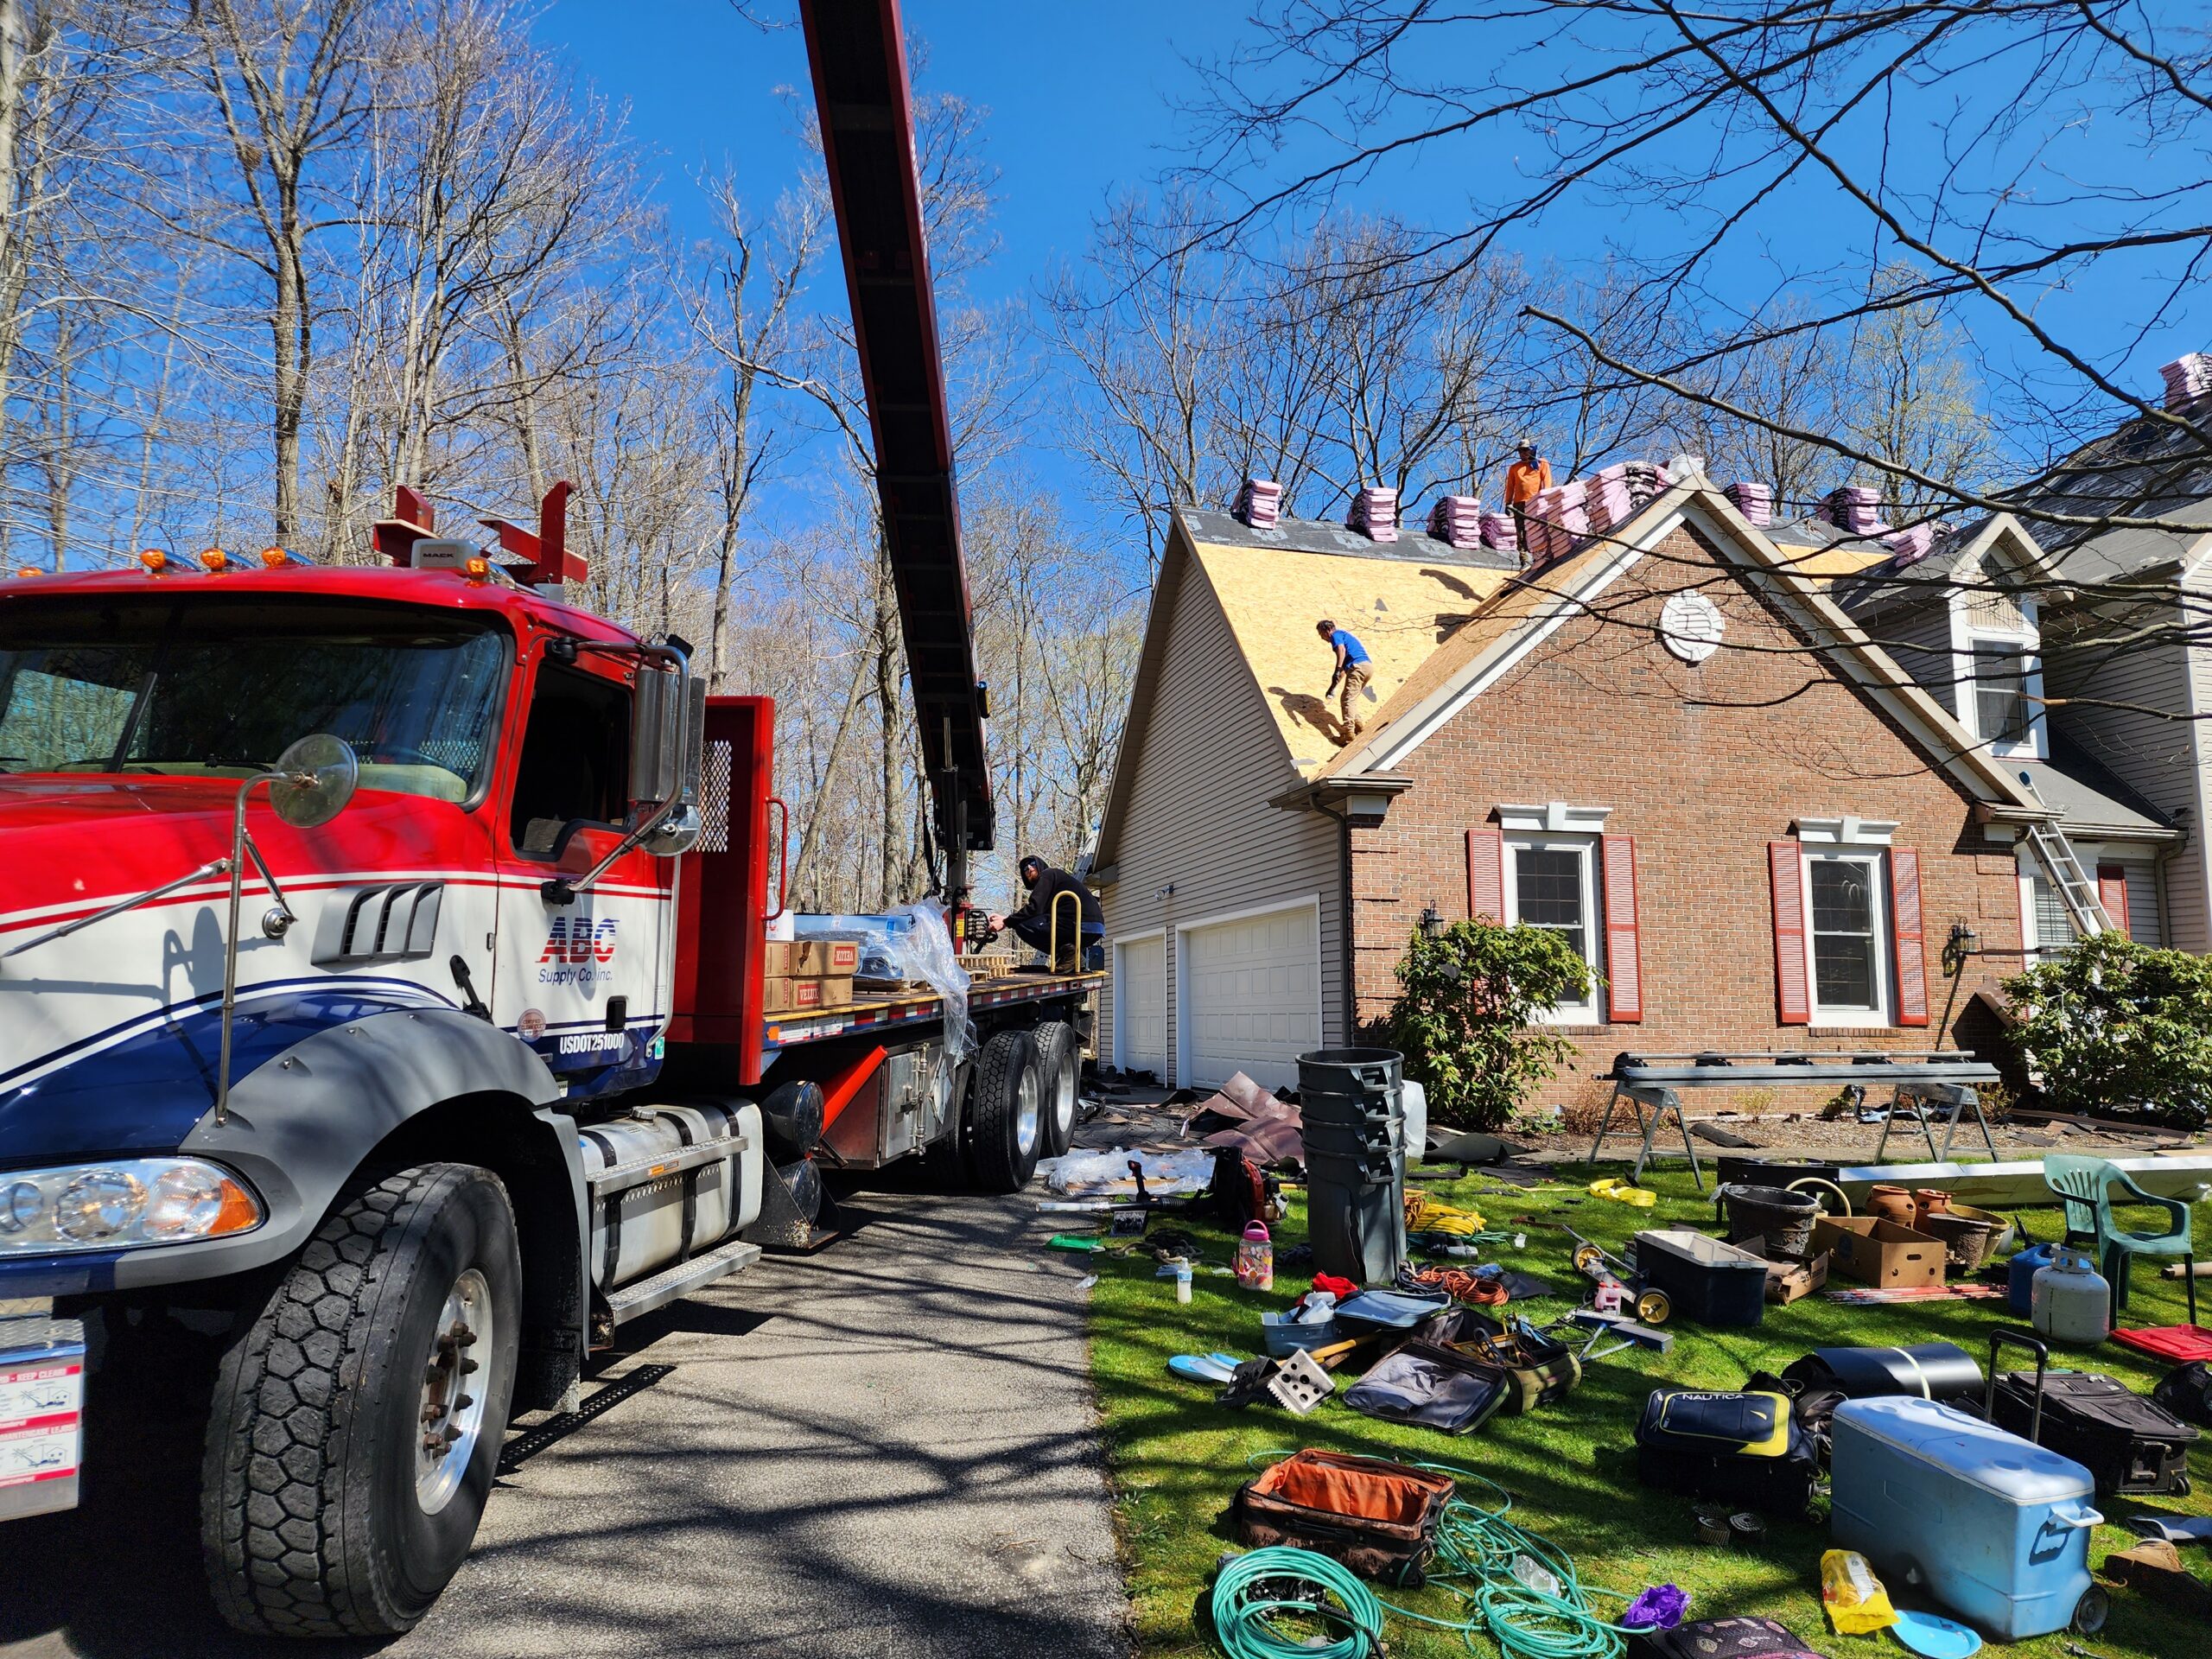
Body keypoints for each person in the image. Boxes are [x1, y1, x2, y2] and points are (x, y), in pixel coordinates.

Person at [990, 855, 1104, 970]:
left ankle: (1071, 956)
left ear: (1040, 865)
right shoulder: (1054, 883)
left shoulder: (1048, 874)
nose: (1029, 868)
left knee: (1022, 926)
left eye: (1032, 864)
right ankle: (1070, 958)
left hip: (1081, 924)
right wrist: (1007, 919)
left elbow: (1034, 908)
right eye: (1025, 869)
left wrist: (1006, 922)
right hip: (1093, 928)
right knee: (1032, 921)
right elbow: (1038, 911)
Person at [1317, 618, 1372, 742]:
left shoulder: (1336, 635)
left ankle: (1348, 734)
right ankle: (1358, 725)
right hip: (1367, 667)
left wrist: (1337, 668)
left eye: (1322, 634)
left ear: (1328, 630)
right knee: (1351, 698)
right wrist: (1332, 688)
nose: (1322, 638)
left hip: (1357, 667)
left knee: (1347, 699)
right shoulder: (1345, 636)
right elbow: (1342, 672)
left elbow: (1341, 650)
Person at [1503, 435, 1552, 556]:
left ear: (1531, 449)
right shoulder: (1515, 468)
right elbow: (1510, 486)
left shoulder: (1541, 463)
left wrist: (1546, 497)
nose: (1523, 453)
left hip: (1535, 502)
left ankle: (1541, 553)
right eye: (1520, 451)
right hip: (1519, 503)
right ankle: (1524, 555)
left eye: (1525, 450)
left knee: (1536, 528)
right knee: (1520, 531)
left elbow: (1547, 481)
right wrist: (1508, 503)